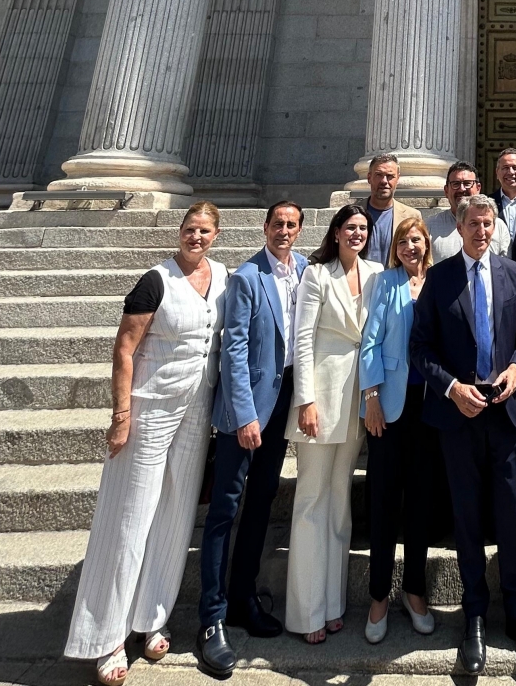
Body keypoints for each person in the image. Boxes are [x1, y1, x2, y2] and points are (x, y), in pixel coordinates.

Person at [66, 202, 228, 686]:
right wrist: (121, 416)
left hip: (196, 411)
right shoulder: (154, 280)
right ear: (179, 232)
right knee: (130, 517)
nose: (194, 237)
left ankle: (151, 616)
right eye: (189, 230)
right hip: (149, 408)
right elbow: (124, 347)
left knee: (176, 516)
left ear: (216, 235)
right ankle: (107, 636)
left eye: (203, 231)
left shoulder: (222, 277)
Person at [410, 194, 516, 674]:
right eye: (473, 223)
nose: (481, 231)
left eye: (488, 224)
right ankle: (473, 615)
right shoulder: (440, 278)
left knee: (510, 516)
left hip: (504, 414)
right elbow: (420, 348)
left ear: (495, 228)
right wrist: (451, 388)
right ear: (460, 225)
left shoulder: (513, 274)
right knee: (467, 518)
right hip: (458, 416)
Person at [198, 202, 307, 678]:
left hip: (282, 405)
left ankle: (243, 596)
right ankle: (211, 616)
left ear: (300, 231)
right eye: (277, 224)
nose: (284, 231)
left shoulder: (305, 271)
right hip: (245, 412)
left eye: (291, 225)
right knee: (224, 509)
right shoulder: (246, 276)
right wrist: (243, 416)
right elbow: (233, 348)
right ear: (265, 228)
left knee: (261, 503)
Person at [285, 204, 384, 644]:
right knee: (311, 498)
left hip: (358, 402)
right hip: (321, 400)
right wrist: (304, 400)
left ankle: (332, 603)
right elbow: (302, 338)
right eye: (350, 228)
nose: (357, 234)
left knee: (340, 499)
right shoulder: (315, 273)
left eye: (363, 228)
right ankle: (306, 612)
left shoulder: (378, 273)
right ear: (337, 232)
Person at [358, 216, 443, 643]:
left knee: (421, 503)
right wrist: (370, 398)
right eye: (404, 241)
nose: (411, 246)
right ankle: (378, 596)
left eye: (418, 239)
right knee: (385, 501)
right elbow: (370, 342)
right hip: (389, 407)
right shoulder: (386, 283)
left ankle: (414, 591)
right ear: (396, 247)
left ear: (428, 244)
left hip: (430, 408)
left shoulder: (439, 281)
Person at [426, 161, 510, 260]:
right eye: (455, 184)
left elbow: (505, 268)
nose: (462, 189)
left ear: (478, 188)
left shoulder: (498, 226)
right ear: (446, 191)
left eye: (467, 184)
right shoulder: (430, 227)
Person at [360, 153, 423, 265]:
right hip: (358, 281)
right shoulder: (351, 214)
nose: (384, 181)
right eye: (379, 175)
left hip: (397, 281)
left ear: (397, 179)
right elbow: (327, 251)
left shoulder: (412, 216)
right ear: (369, 178)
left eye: (390, 176)